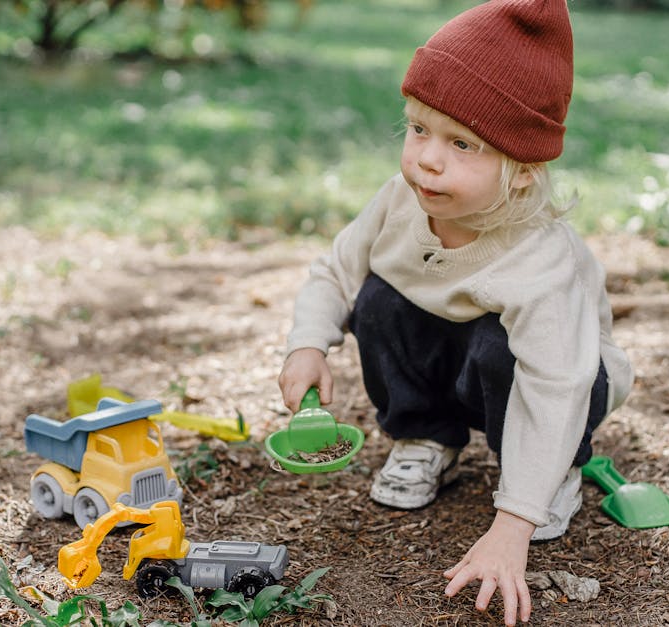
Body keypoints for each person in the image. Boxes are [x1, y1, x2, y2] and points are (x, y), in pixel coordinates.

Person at [277, 1, 633, 624]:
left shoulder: (538, 258)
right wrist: (308, 343)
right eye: (419, 130)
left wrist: (514, 523)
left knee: (503, 348)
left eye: (462, 143)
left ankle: (550, 477)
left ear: (522, 171)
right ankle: (425, 435)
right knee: (380, 300)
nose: (428, 160)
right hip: (456, 364)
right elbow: (335, 270)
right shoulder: (400, 203)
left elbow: (557, 384)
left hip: (562, 385)